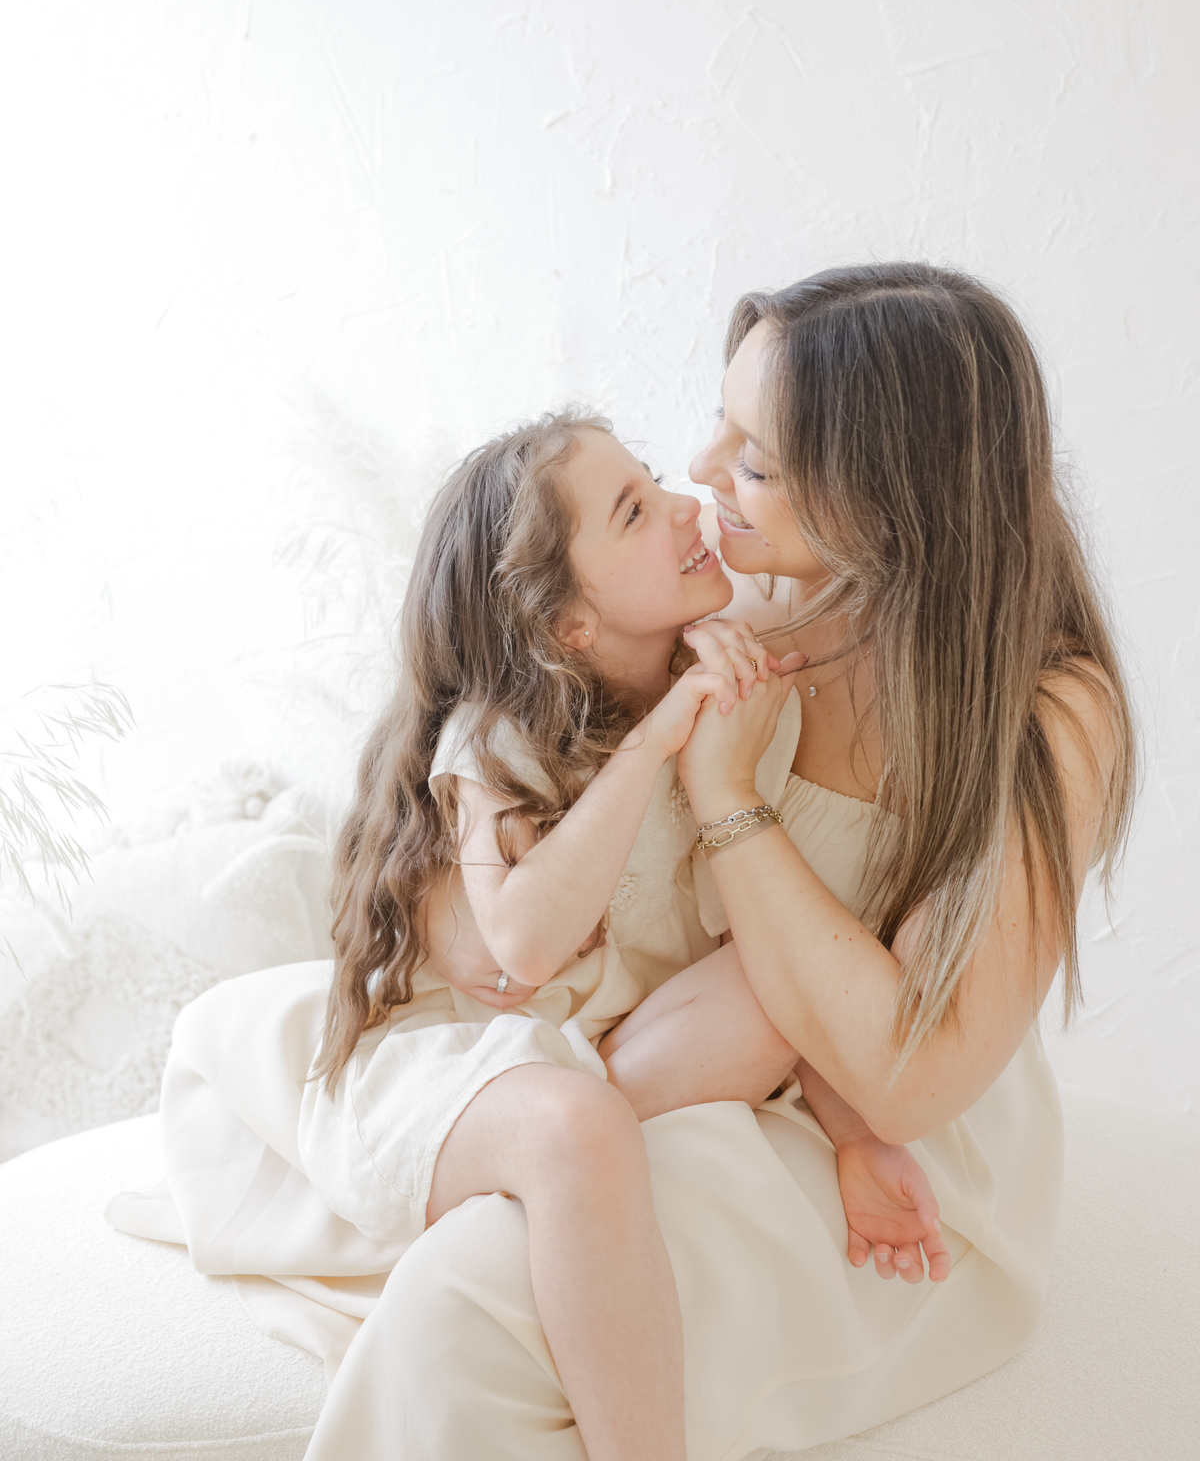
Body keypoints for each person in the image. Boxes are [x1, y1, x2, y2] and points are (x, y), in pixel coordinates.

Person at [305, 262, 1136, 1459]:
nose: (699, 472)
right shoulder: (750, 626)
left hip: (887, 1136)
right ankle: (551, 1146)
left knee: (468, 1304)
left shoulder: (1047, 714)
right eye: (717, 426)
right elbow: (534, 855)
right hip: (691, 1070)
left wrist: (729, 793)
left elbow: (907, 1075)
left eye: (751, 457)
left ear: (884, 493)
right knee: (477, 1276)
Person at [123, 407, 946, 1461]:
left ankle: (579, 1191)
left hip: (590, 1052)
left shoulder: (729, 690)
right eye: (636, 510)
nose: (690, 505)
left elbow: (777, 952)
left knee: (787, 958)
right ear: (569, 626)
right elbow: (523, 944)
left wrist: (860, 1135)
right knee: (571, 1126)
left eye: (655, 482)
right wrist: (661, 743)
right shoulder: (502, 733)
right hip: (453, 1063)